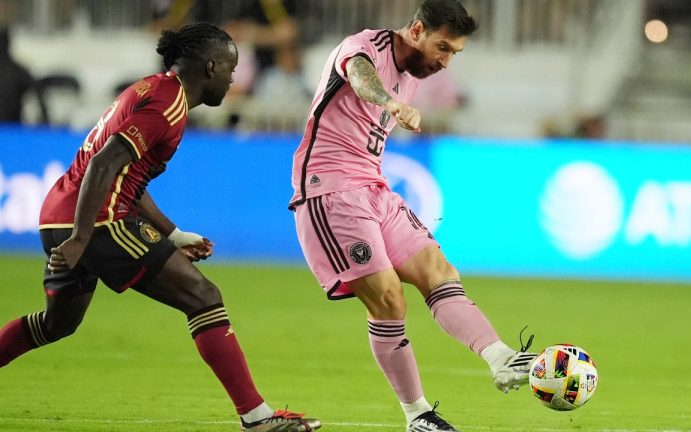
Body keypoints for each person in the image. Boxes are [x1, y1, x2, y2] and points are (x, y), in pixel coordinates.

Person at [0, 22, 320, 432]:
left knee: (56, 324)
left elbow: (128, 178)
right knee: (203, 296)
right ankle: (257, 418)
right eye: (230, 68)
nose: (233, 77)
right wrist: (82, 237)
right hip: (97, 220)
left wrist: (171, 234)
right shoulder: (167, 103)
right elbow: (104, 164)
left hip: (60, 213)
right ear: (209, 67)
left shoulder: (152, 88)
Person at [287, 1, 538, 431]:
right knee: (388, 300)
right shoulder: (364, 46)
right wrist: (391, 102)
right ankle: (418, 416)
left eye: (454, 53)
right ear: (418, 30)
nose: (445, 61)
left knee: (438, 271)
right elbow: (361, 78)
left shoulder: (414, 74)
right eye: (442, 47)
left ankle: (500, 358)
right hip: (329, 190)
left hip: (374, 188)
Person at [0, 27, 35, 123]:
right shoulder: (18, 71)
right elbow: (37, 92)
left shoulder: (18, 72)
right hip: (15, 130)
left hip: (14, 129)